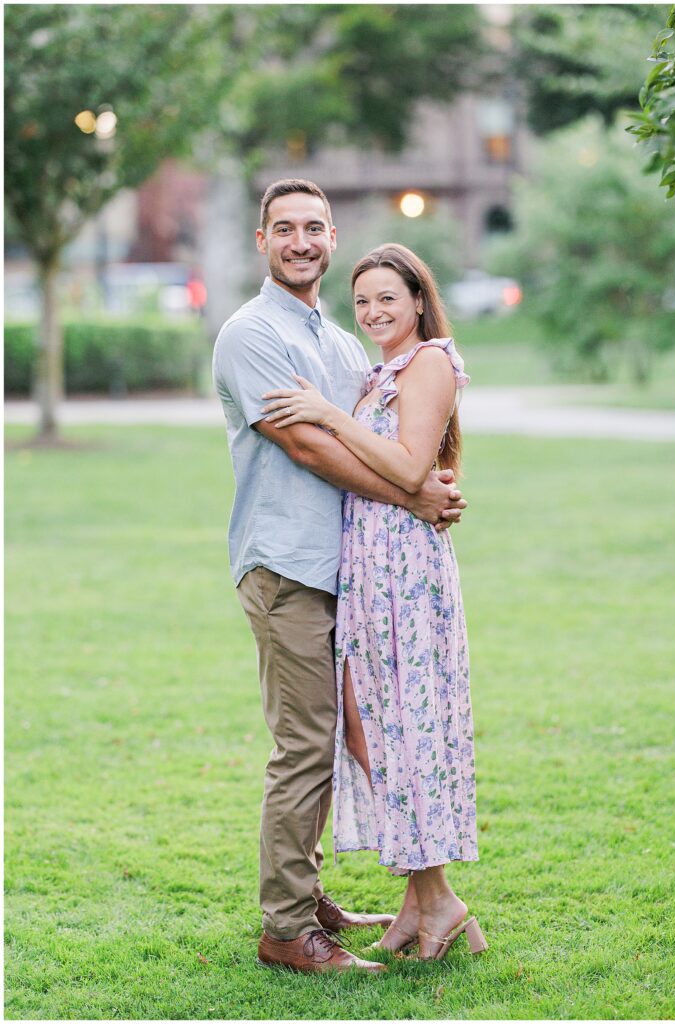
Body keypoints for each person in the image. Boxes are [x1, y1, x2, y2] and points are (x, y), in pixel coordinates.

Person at [212, 180, 468, 973]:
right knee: (304, 744)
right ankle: (287, 930)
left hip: (354, 571)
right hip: (287, 563)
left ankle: (317, 893)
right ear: (261, 239)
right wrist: (415, 493)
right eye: (283, 228)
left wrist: (423, 482)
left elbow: (385, 435)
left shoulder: (342, 342)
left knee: (348, 738)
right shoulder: (249, 334)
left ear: (329, 236)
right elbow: (314, 449)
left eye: (313, 228)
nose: (299, 241)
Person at [261, 243, 487, 962]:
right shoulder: (380, 372)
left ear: (419, 300)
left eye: (388, 297)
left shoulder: (428, 363)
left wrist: (327, 413)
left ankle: (437, 902)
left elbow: (408, 466)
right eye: (362, 301)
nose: (373, 312)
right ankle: (427, 904)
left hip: (406, 567)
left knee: (400, 725)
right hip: (368, 562)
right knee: (373, 727)